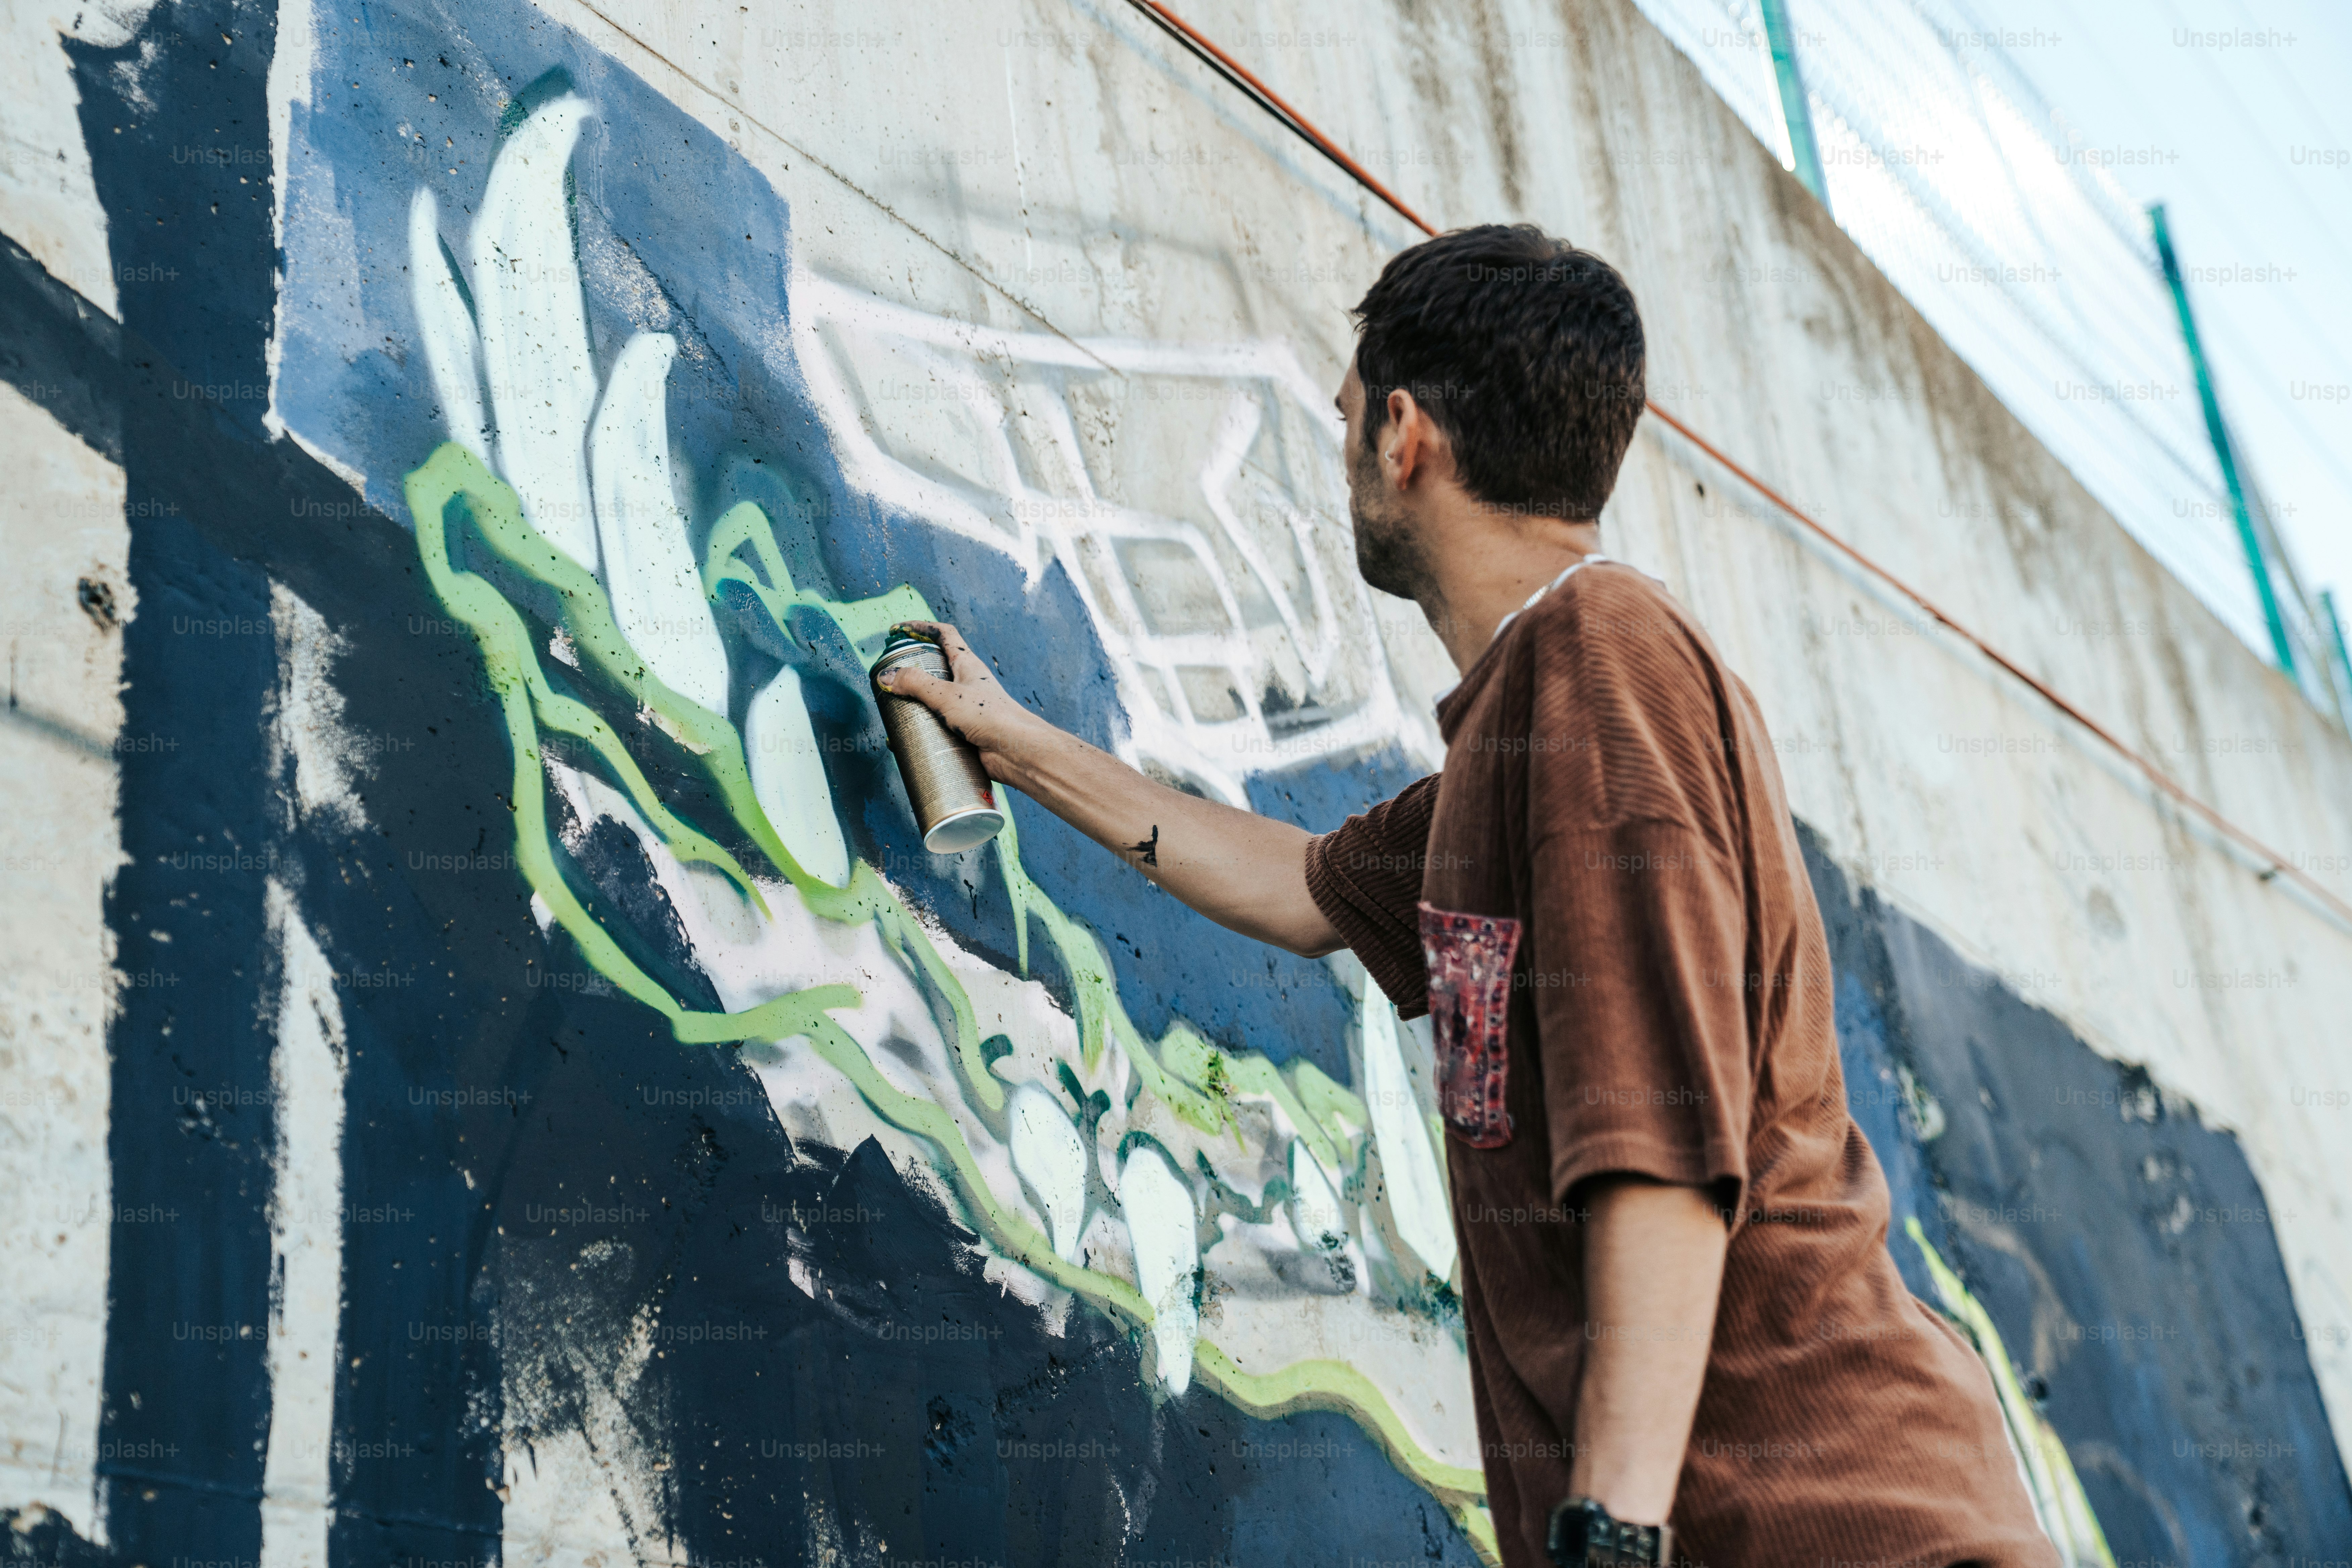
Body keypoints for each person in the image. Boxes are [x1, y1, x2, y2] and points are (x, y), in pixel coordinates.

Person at [877, 224, 2056, 1568]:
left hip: (1841, 1535)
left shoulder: (1598, 667)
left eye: (1345, 422)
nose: (1342, 459)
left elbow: (1664, 1151)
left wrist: (1612, 1535)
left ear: (1405, 436)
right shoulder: (1525, 733)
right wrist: (1014, 742)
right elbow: (1301, 889)